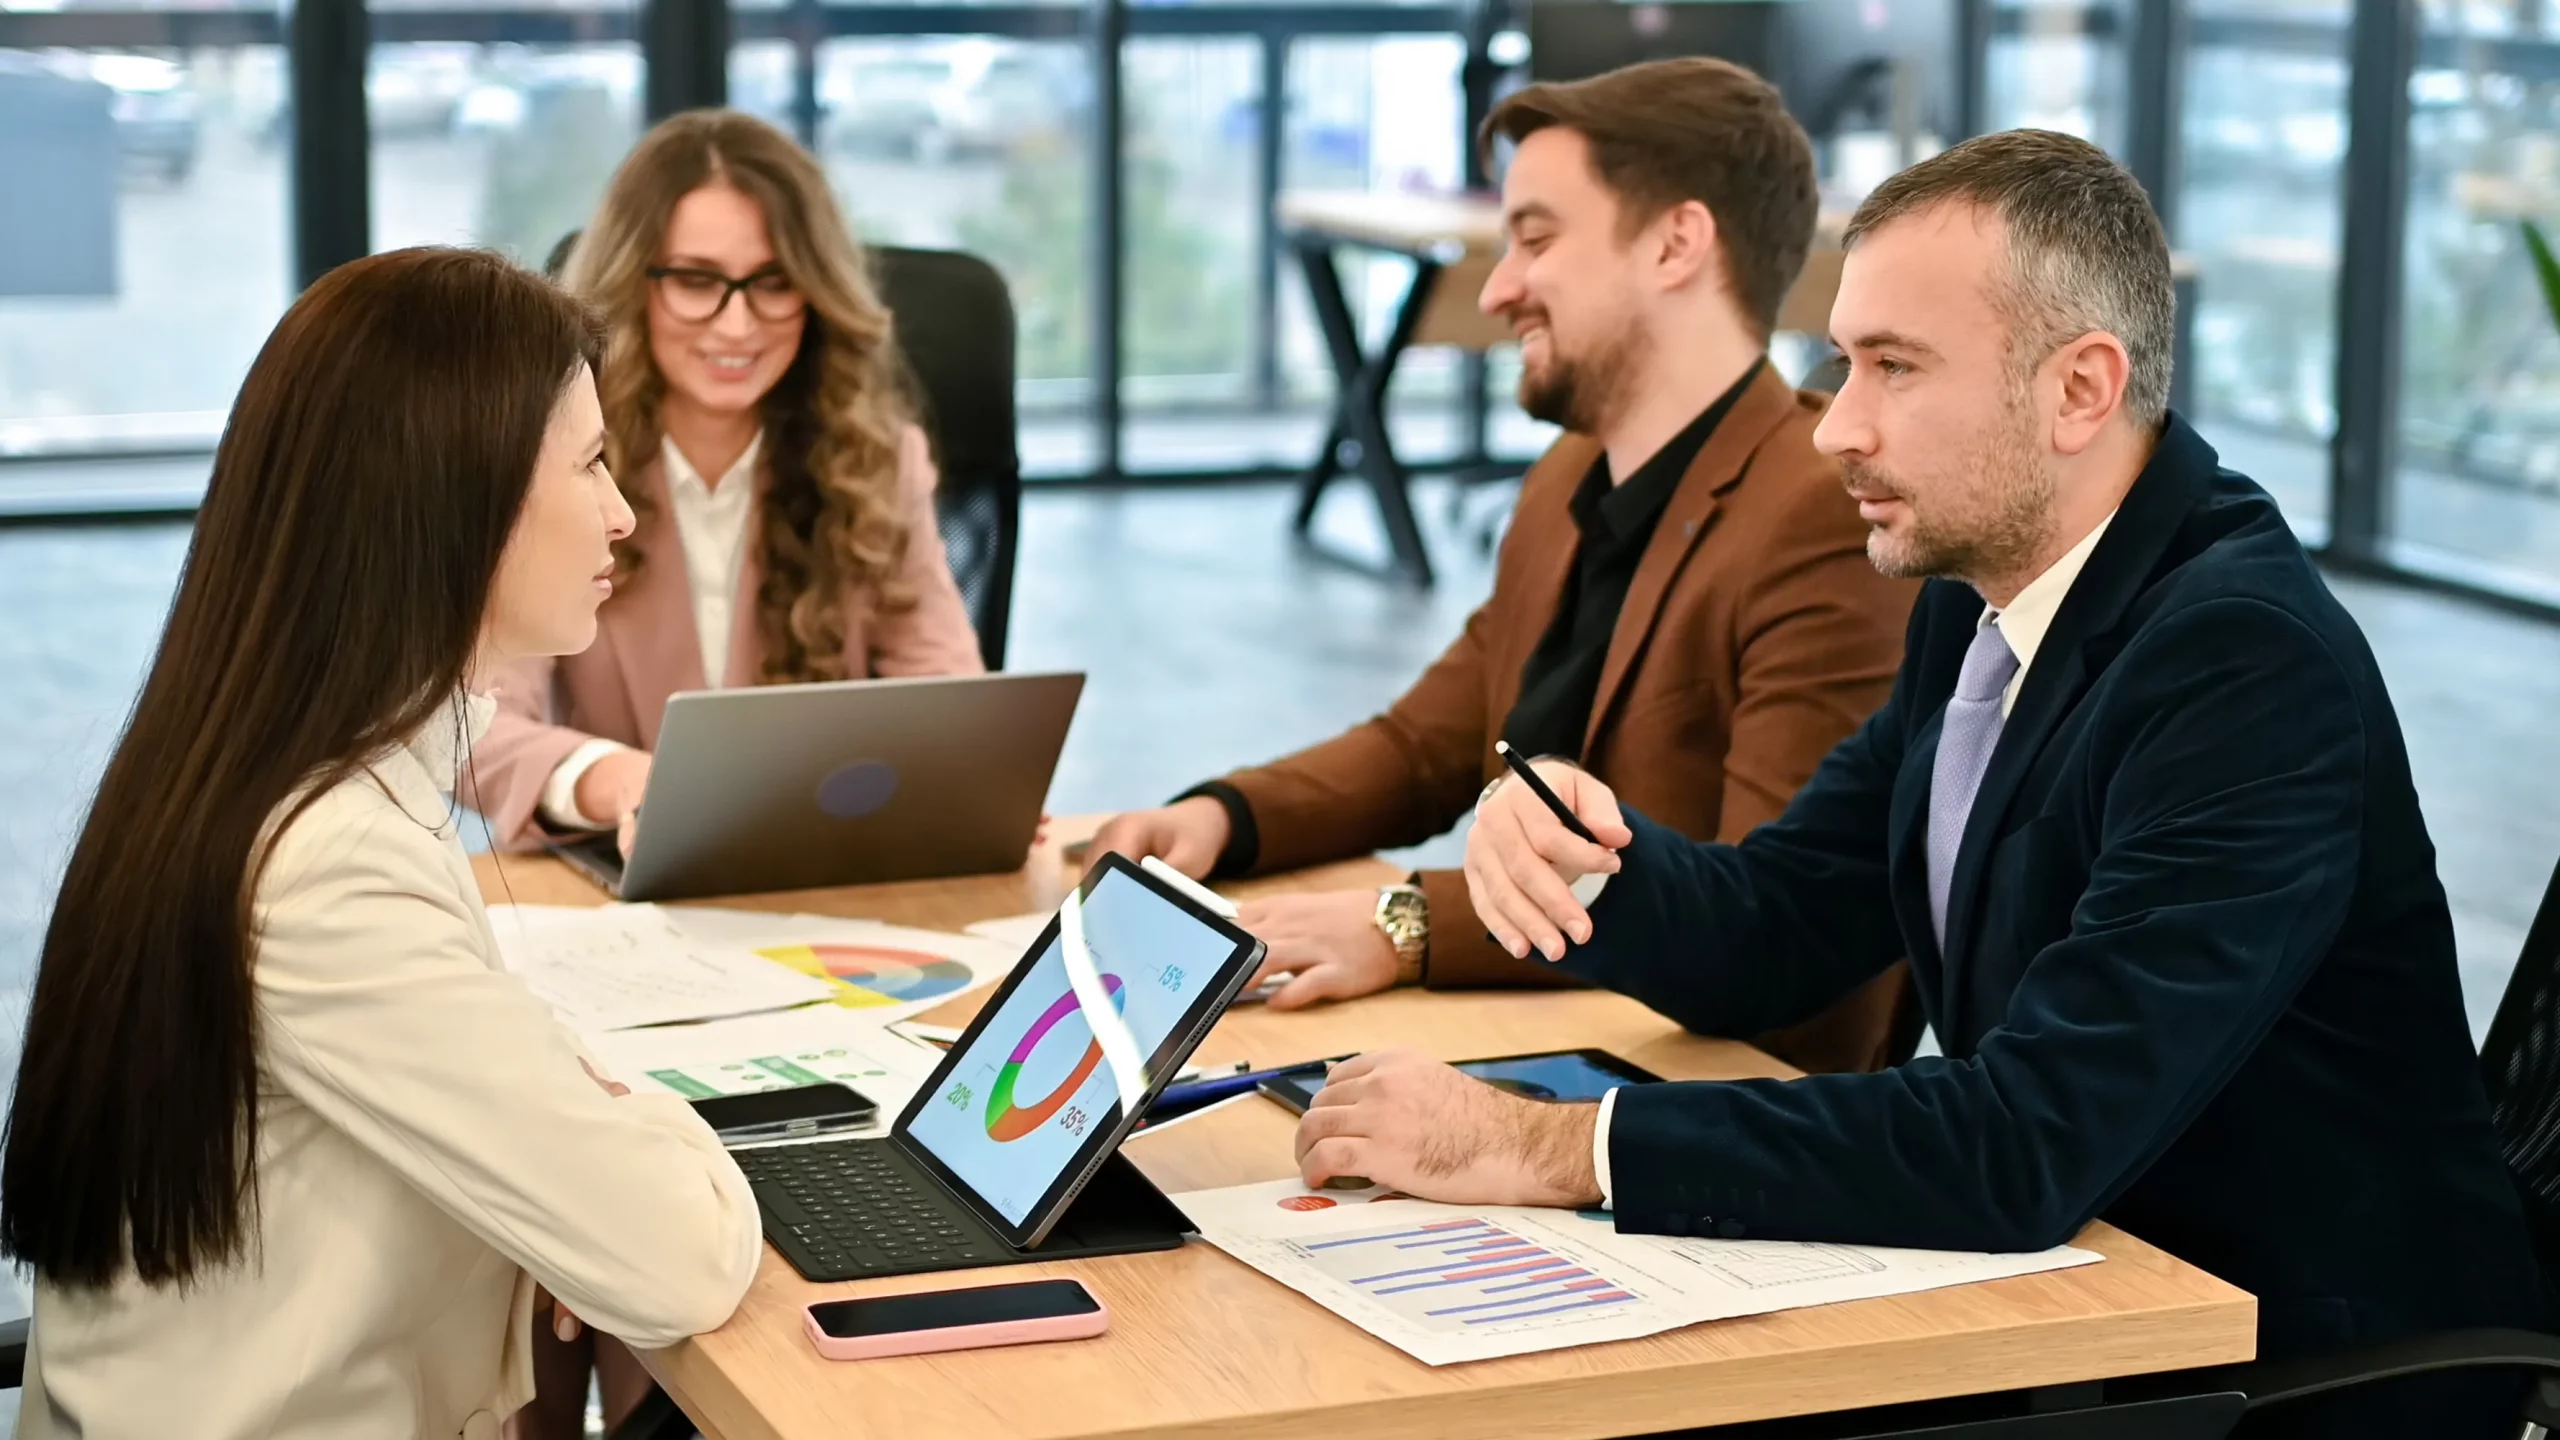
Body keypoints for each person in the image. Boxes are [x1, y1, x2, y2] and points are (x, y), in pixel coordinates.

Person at [1291, 130, 2548, 1438]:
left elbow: (2028, 1138)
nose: (1836, 426)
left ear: (2079, 390)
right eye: (1843, 363)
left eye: (1895, 369)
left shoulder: (2244, 667)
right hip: (2097, 1289)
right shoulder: (1982, 597)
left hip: (2293, 1368)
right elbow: (1782, 928)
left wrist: (1544, 1147)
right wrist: (1580, 857)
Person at [0, 248, 761, 1438]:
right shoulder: (328, 864)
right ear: (461, 498)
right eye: (594, 465)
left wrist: (569, 1165)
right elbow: (677, 1256)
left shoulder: (257, 776)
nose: (622, 511)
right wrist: (641, 1137)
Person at [1091, 58, 1918, 1075]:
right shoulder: (1571, 477)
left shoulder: (1816, 514)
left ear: (1675, 243)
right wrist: (1225, 815)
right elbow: (1427, 745)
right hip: (1554, 1039)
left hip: (1707, 1082)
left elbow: (1758, 914)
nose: (1496, 289)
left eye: (1534, 238)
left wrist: (1408, 924)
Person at [470, 109, 983, 860]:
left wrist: (966, 778)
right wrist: (615, 780)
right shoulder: (555, 461)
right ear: (634, 282)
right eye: (698, 281)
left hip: (826, 871)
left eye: (773, 282)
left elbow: (952, 704)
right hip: (621, 874)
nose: (738, 324)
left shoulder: (877, 460)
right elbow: (472, 723)